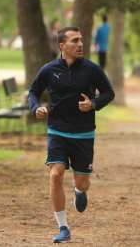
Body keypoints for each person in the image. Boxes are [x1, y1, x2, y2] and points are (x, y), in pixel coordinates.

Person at [28, 27, 115, 243]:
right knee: (56, 174)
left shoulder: (91, 69)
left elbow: (109, 92)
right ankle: (63, 228)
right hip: (57, 130)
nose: (80, 44)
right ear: (62, 46)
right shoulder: (49, 69)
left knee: (82, 182)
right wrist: (35, 107)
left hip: (83, 134)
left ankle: (79, 190)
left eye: (81, 40)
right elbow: (33, 92)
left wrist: (93, 104)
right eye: (75, 40)